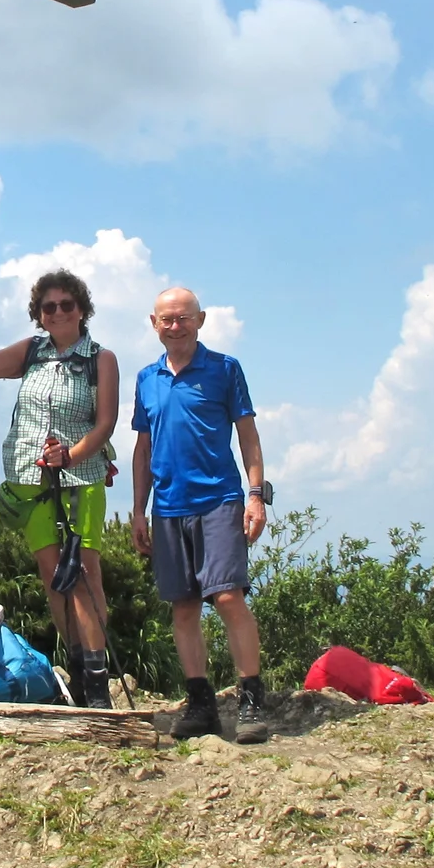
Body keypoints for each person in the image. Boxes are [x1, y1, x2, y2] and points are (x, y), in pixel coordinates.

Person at [0, 269, 120, 708]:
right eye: (48, 306)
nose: (57, 313)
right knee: (53, 577)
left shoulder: (101, 358)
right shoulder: (32, 352)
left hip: (82, 478)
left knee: (84, 577)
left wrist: (71, 455)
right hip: (30, 479)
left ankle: (97, 686)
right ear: (39, 314)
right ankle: (78, 671)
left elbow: (106, 422)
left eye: (66, 305)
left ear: (81, 309)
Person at [130, 286, 270, 743]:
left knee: (228, 597)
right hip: (168, 508)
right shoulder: (146, 378)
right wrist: (138, 510)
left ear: (201, 320)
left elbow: (248, 436)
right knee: (184, 606)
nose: (176, 326)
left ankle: (250, 698)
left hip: (219, 500)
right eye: (167, 319)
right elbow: (143, 448)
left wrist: (255, 496)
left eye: (184, 318)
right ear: (154, 324)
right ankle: (201, 702)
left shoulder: (225, 369)